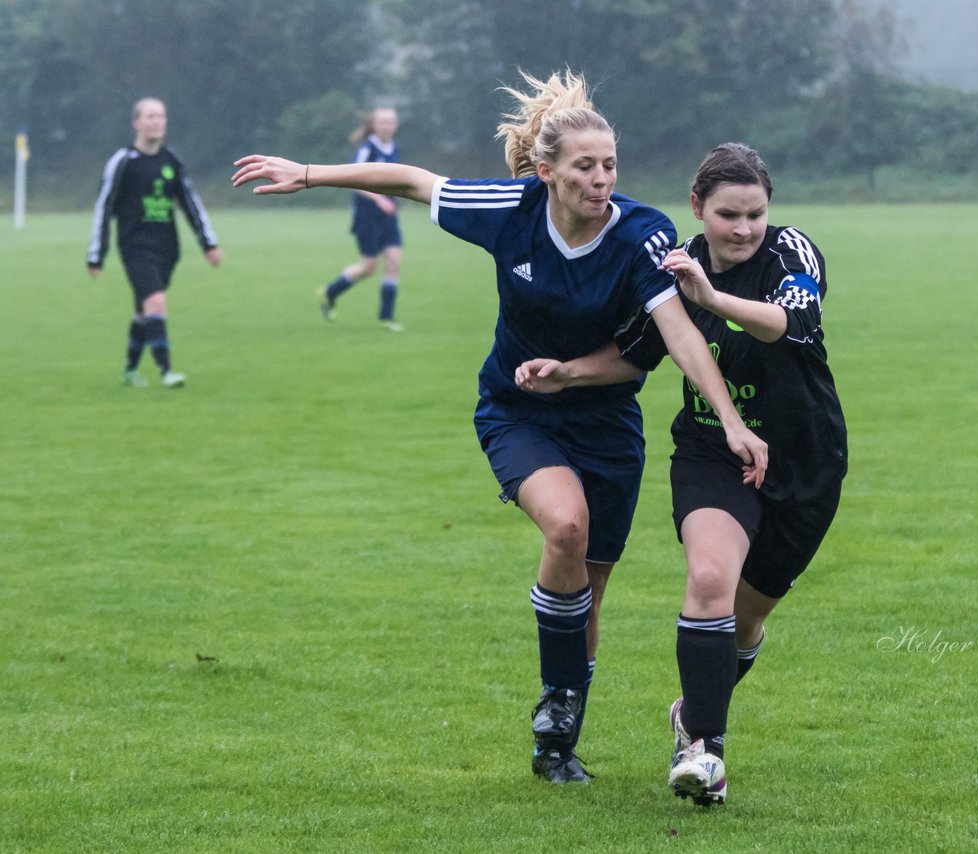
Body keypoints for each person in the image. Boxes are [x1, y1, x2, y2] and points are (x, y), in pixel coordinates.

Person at [232, 72, 768, 785]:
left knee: (591, 593)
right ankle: (556, 704)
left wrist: (729, 420)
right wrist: (308, 174)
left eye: (609, 165)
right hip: (517, 412)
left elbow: (679, 335)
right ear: (546, 172)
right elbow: (415, 182)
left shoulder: (642, 233)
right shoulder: (509, 210)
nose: (601, 179)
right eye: (584, 166)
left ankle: (560, 734)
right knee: (566, 528)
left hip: (607, 424)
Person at [515, 142, 847, 805]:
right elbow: (636, 354)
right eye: (729, 214)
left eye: (755, 213)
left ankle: (690, 714)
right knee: (708, 579)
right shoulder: (669, 267)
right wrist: (569, 372)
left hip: (805, 462)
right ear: (699, 208)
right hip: (712, 454)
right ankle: (706, 753)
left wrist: (713, 297)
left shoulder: (792, 253)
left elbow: (795, 321)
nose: (744, 228)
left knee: (745, 627)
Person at [88, 97, 222, 388]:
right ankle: (166, 371)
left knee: (144, 310)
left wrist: (208, 244)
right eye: (149, 117)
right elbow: (104, 207)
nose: (156, 122)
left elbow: (190, 203)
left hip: (168, 249)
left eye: (160, 116)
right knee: (156, 302)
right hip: (135, 246)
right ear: (136, 123)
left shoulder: (171, 160)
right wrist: (96, 254)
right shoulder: (123, 161)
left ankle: (129, 370)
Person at [317, 107, 407, 331]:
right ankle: (329, 292)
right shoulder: (368, 149)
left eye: (390, 122)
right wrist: (380, 200)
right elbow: (354, 180)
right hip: (368, 217)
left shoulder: (394, 147)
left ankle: (386, 318)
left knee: (394, 260)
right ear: (374, 125)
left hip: (388, 217)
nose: (387, 125)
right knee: (369, 267)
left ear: (395, 125)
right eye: (382, 122)